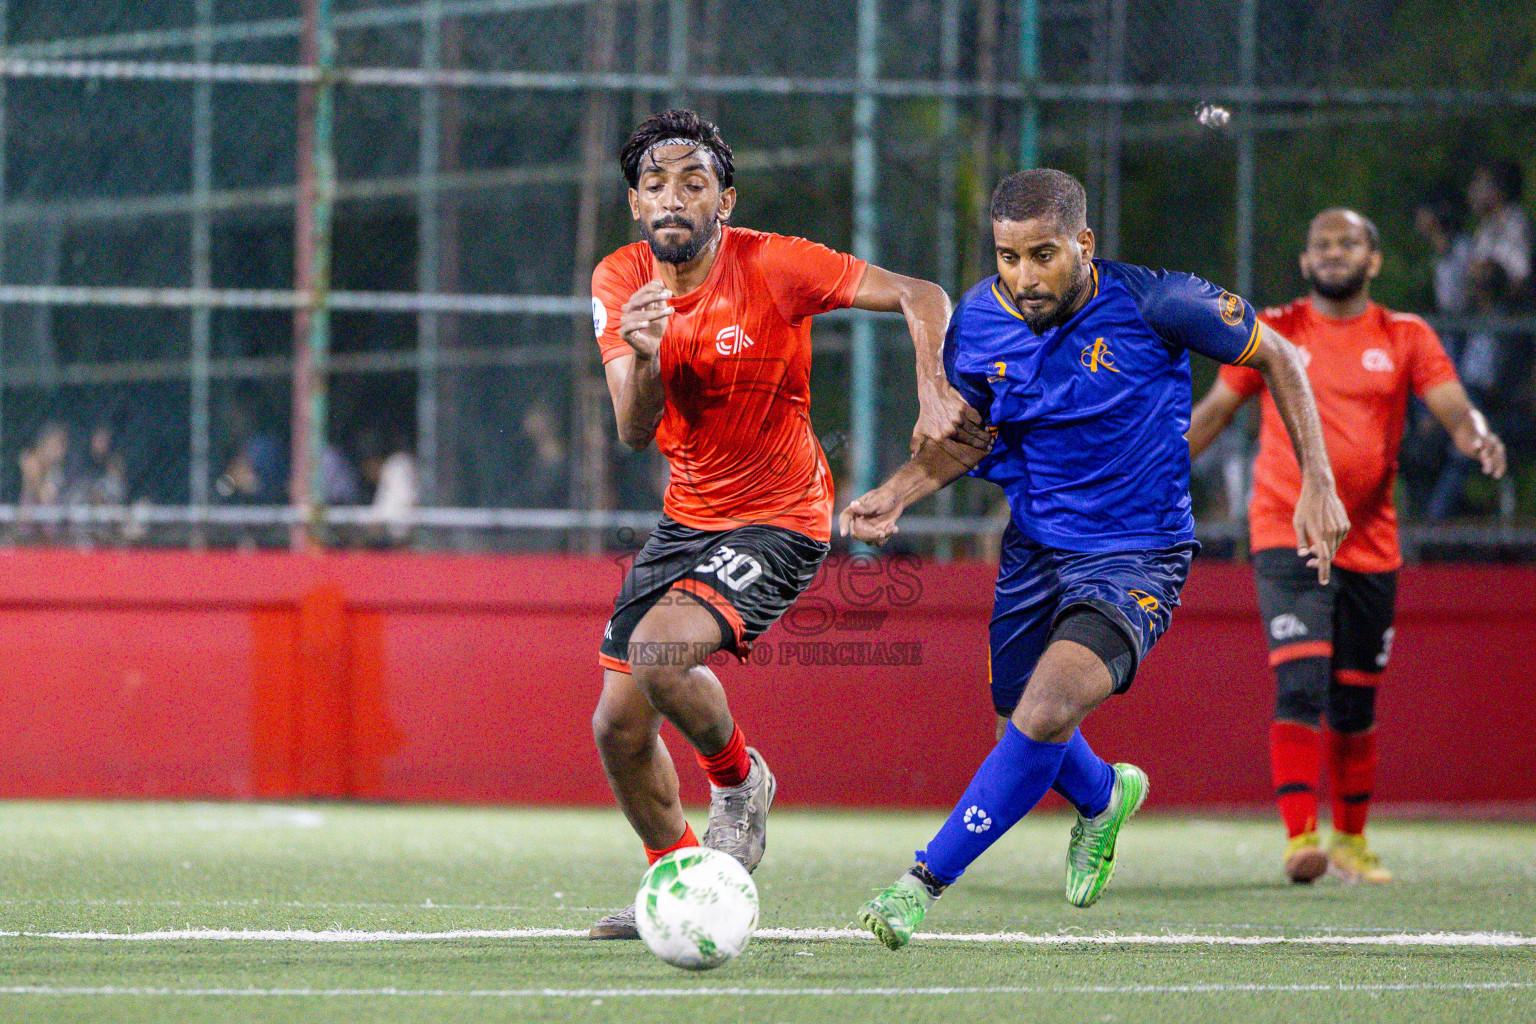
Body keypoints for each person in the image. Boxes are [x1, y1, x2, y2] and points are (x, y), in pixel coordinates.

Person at [841, 168, 1347, 950]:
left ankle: (920, 883)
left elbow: (1280, 355)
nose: (1023, 277)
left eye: (1043, 255)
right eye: (1008, 257)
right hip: (1035, 551)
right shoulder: (976, 320)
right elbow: (968, 439)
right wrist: (899, 492)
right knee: (1018, 717)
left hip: (1138, 555)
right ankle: (1104, 797)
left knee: (1044, 711)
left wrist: (1318, 478)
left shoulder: (1158, 303)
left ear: (1084, 244)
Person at [586, 109, 984, 940]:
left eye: (693, 182)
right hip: (686, 517)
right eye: (655, 184)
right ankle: (685, 882)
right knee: (617, 728)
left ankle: (739, 784)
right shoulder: (621, 281)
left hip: (781, 516)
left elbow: (923, 294)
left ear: (723, 200)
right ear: (634, 203)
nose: (672, 197)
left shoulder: (773, 263)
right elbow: (632, 430)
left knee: (661, 656)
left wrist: (936, 391)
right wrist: (650, 353)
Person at [1188, 208, 1505, 885]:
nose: (1334, 253)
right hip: (1286, 529)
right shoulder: (1273, 332)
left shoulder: (1405, 334)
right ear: (1305, 263)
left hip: (1371, 542)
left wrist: (1476, 434)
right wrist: (1147, 472)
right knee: (1300, 682)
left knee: (1356, 702)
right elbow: (1215, 411)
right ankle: (1301, 838)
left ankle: (1353, 841)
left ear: (1374, 259)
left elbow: (1453, 403)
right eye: (1322, 245)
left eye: (1349, 242)